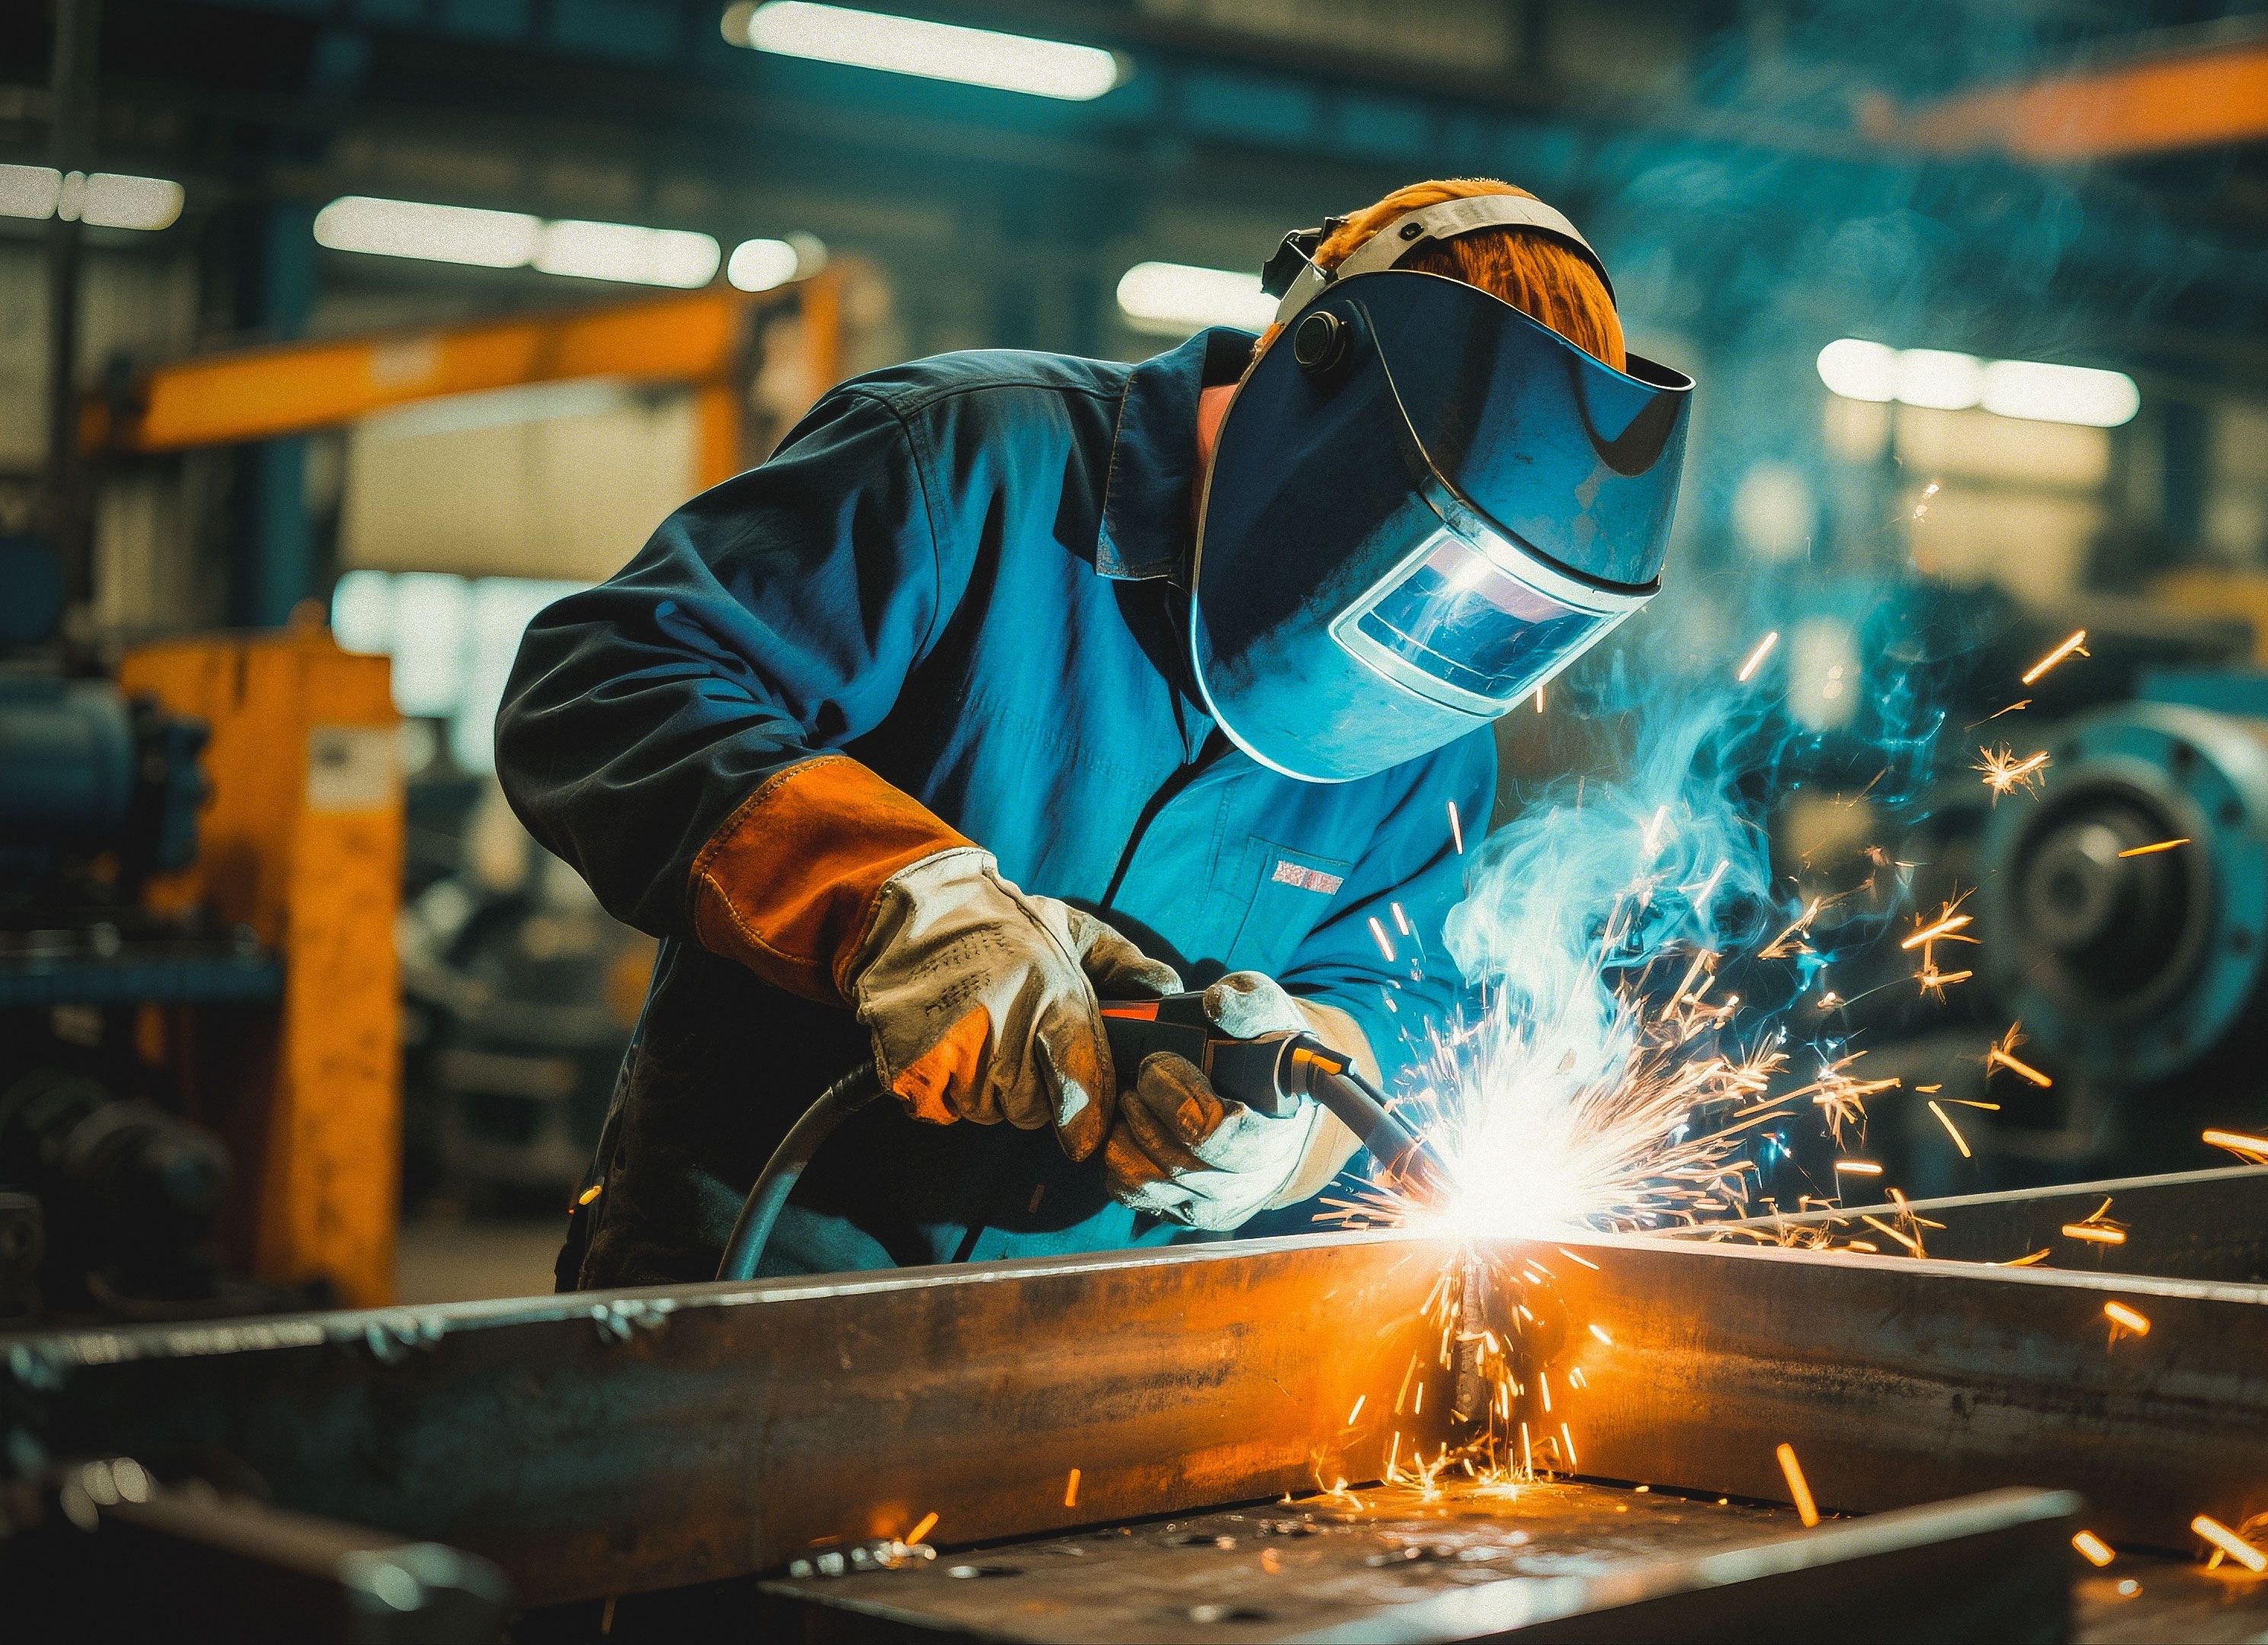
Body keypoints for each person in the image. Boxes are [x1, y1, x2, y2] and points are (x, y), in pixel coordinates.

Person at [500, 177, 1693, 1286]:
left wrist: (1288, 1118)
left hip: (1087, 1352)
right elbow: (608, 682)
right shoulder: (970, 463)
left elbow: (1398, 994)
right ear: (1310, 377)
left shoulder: (1434, 704)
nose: (1426, 611)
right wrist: (887, 904)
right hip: (742, 1279)